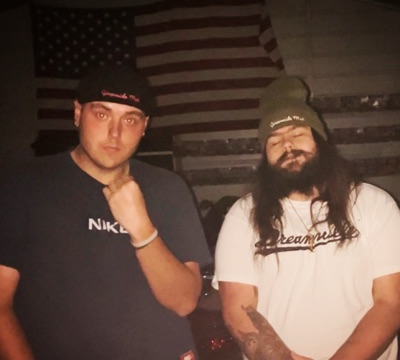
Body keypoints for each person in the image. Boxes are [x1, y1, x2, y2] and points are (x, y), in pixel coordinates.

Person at [0, 65, 211, 360]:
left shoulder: (168, 188)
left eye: (130, 119)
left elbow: (184, 302)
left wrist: (142, 229)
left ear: (145, 126)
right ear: (77, 113)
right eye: (102, 114)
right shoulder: (25, 185)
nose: (115, 132)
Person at [212, 77, 400, 360]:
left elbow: (390, 302)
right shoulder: (243, 215)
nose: (287, 146)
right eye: (274, 141)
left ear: (320, 140)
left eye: (298, 133)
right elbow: (237, 309)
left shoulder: (375, 204)